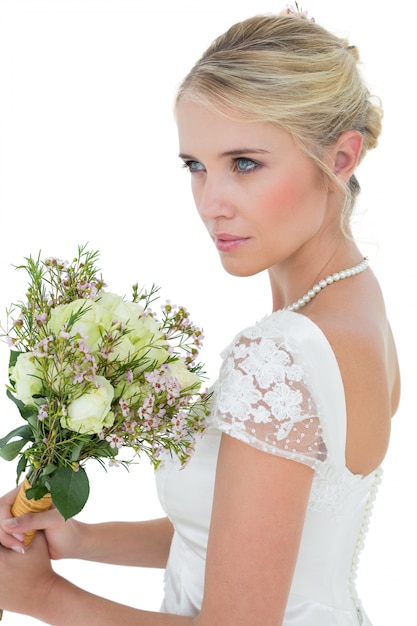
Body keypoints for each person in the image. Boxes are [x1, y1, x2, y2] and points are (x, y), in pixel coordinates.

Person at [0, 7, 400, 625]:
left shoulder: (279, 355)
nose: (211, 203)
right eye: (195, 165)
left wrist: (40, 597)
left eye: (245, 163)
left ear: (342, 158)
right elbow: (256, 534)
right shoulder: (356, 302)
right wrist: (83, 542)